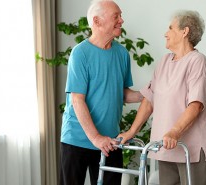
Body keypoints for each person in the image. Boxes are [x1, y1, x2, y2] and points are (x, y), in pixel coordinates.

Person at [118, 10, 206, 185]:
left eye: (170, 28)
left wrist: (174, 132)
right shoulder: (164, 61)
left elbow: (195, 105)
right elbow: (149, 100)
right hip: (167, 148)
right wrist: (131, 131)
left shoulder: (198, 62)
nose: (165, 33)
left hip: (193, 151)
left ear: (184, 31)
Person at [59, 0, 142, 185]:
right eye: (116, 16)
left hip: (110, 142)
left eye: (120, 15)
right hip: (77, 139)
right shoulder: (80, 53)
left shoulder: (122, 54)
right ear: (97, 21)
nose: (122, 20)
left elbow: (122, 94)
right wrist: (96, 138)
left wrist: (147, 94)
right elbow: (77, 100)